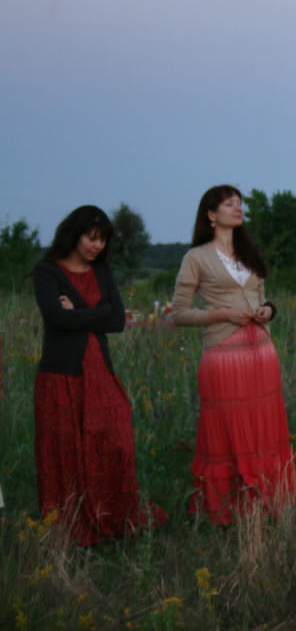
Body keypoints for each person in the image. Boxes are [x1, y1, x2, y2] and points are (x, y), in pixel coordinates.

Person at [32, 205, 167, 546]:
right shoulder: (47, 271)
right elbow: (56, 319)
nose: (96, 246)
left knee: (115, 437)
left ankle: (111, 515)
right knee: (65, 448)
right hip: (60, 374)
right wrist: (97, 313)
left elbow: (118, 321)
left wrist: (78, 311)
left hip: (99, 371)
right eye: (90, 238)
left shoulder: (102, 272)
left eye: (102, 241)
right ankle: (73, 527)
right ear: (73, 234)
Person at [172, 185, 296, 525]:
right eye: (229, 204)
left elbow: (262, 298)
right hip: (223, 356)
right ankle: (229, 511)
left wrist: (268, 311)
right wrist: (221, 315)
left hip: (262, 353)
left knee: (265, 428)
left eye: (240, 204)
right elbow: (179, 313)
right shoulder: (196, 258)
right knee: (229, 428)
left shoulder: (248, 254)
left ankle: (269, 506)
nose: (238, 209)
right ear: (211, 215)